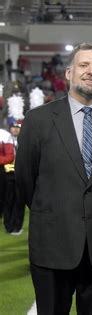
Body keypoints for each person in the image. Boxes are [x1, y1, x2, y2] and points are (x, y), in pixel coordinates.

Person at [15, 43, 92, 314]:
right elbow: (25, 180)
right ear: (69, 73)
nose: (91, 72)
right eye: (84, 65)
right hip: (52, 243)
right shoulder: (37, 120)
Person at [3, 95, 25, 235]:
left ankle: (17, 225)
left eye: (18, 127)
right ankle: (9, 225)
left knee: (19, 202)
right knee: (8, 200)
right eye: (13, 127)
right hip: (7, 174)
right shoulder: (5, 139)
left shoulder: (25, 140)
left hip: (20, 174)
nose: (16, 130)